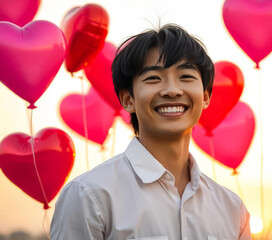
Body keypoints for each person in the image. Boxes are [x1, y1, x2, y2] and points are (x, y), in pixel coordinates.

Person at [50, 24, 251, 240]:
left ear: (205, 97)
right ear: (128, 99)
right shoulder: (89, 196)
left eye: (186, 77)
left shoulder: (232, 210)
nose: (173, 90)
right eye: (153, 78)